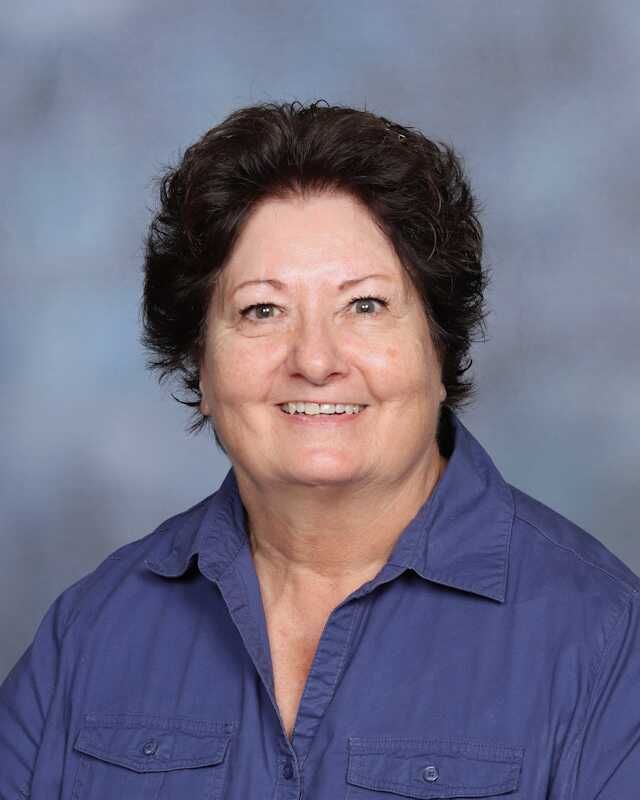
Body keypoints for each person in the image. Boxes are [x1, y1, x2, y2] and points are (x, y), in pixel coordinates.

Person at [1, 100, 638, 799]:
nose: (314, 359)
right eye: (261, 310)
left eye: (364, 305)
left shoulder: (606, 643)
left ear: (440, 343)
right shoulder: (88, 636)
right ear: (200, 363)